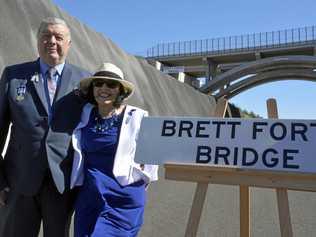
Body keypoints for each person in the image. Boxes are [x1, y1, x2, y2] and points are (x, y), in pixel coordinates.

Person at [0, 17, 90, 237]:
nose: (51, 41)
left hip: (62, 184)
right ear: (37, 41)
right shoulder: (13, 76)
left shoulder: (85, 81)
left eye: (58, 37)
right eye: (45, 36)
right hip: (18, 182)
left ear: (68, 44)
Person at [71, 62, 158, 237]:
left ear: (120, 90)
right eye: (98, 83)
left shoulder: (138, 117)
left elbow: (151, 160)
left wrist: (137, 185)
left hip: (122, 199)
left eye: (111, 84)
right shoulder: (85, 113)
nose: (104, 88)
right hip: (90, 197)